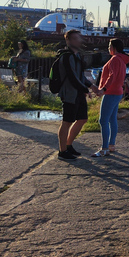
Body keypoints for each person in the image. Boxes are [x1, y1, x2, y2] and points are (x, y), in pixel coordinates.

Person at [57, 29, 100, 161]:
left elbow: (80, 76)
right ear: (68, 40)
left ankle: (68, 145)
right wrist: (86, 89)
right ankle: (62, 151)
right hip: (69, 93)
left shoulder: (77, 56)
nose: (78, 40)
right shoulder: (66, 57)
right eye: (75, 38)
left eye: (79, 38)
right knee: (67, 122)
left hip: (78, 92)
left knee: (82, 119)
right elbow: (72, 77)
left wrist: (91, 86)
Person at [92, 39, 129, 157]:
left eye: (110, 46)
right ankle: (111, 145)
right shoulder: (122, 60)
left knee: (103, 120)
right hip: (118, 92)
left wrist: (103, 89)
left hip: (111, 93)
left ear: (114, 48)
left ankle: (104, 148)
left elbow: (112, 76)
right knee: (112, 119)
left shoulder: (115, 59)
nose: (108, 48)